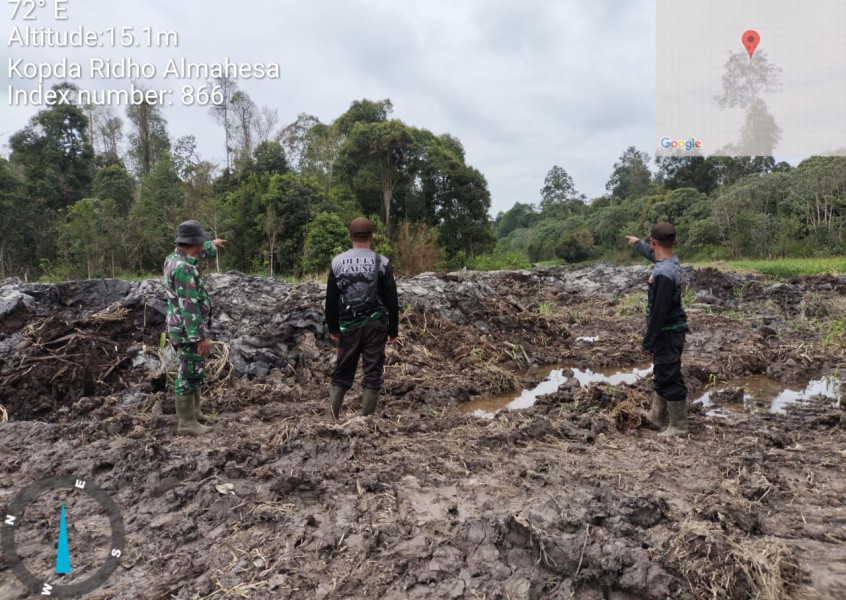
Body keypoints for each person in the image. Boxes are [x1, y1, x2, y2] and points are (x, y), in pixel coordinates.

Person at [325, 217, 399, 421]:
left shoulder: (337, 262)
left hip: (348, 326)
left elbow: (331, 298)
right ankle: (365, 421)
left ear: (350, 237)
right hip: (376, 325)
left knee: (343, 368)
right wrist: (393, 329)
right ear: (372, 237)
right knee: (373, 369)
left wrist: (333, 328)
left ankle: (332, 419)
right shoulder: (383, 262)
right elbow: (392, 298)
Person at [626, 222, 689, 436]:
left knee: (669, 373)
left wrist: (648, 343)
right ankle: (656, 416)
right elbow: (655, 256)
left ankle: (679, 426)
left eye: (649, 243)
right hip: (670, 330)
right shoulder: (670, 262)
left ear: (654, 242)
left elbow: (658, 314)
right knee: (662, 371)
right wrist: (638, 244)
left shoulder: (664, 275)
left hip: (668, 331)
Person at [164, 220, 226, 435]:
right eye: (203, 242)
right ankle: (186, 423)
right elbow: (189, 306)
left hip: (177, 327)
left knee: (193, 371)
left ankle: (195, 413)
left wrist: (214, 245)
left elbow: (198, 252)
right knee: (188, 374)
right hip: (187, 331)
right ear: (195, 242)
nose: (204, 245)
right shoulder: (183, 270)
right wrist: (200, 337)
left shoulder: (174, 258)